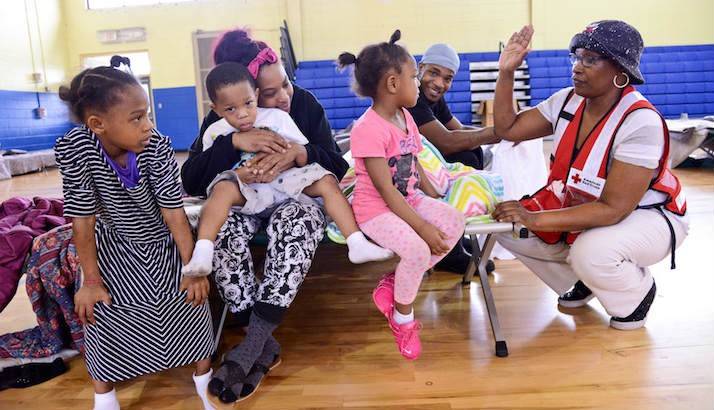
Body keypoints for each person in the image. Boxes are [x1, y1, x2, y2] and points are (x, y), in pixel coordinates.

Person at [179, 29, 349, 404]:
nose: (282, 96)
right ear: (247, 94)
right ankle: (263, 344)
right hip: (245, 198)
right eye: (269, 93)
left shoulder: (303, 104)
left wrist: (301, 154)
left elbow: (337, 163)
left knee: (298, 221)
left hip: (291, 196)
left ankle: (250, 347)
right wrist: (232, 144)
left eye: (285, 84)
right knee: (222, 230)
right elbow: (191, 178)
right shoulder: (228, 117)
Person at [492, 22, 688, 330]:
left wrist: (536, 219)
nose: (577, 67)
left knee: (592, 251)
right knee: (503, 226)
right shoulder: (567, 101)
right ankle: (588, 280)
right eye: (577, 57)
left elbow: (614, 209)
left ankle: (635, 294)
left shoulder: (641, 122)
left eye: (591, 59)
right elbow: (508, 129)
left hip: (649, 217)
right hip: (589, 209)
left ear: (620, 71)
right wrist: (506, 73)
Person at [56, 66, 215, 410]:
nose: (148, 126)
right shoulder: (75, 149)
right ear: (98, 124)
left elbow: (174, 213)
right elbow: (82, 221)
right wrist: (91, 280)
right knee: (99, 309)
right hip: (113, 243)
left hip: (164, 240)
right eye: (137, 118)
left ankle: (204, 381)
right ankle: (104, 395)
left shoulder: (156, 146)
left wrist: (192, 267)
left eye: (148, 115)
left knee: (192, 302)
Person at [185, 62, 392, 274]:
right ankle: (203, 251)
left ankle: (356, 242)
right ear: (216, 109)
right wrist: (236, 167)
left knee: (325, 180)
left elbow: (303, 150)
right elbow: (207, 174)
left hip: (284, 183)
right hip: (248, 189)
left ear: (255, 95)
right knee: (221, 190)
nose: (242, 114)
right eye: (231, 109)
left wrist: (292, 156)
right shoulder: (215, 131)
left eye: (248, 103)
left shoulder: (277, 117)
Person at [338, 30, 466, 360]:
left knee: (454, 222)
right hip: (376, 210)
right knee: (417, 249)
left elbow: (413, 159)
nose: (418, 83)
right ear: (393, 84)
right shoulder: (367, 128)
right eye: (413, 76)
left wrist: (431, 189)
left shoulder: (406, 116)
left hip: (407, 199)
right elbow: (387, 191)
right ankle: (402, 318)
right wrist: (422, 227)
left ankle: (392, 283)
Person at [408, 43, 502, 274]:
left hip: (425, 167)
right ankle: (449, 252)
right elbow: (447, 141)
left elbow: (460, 131)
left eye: (447, 78)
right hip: (410, 171)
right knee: (462, 153)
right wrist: (498, 133)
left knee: (473, 151)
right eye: (433, 73)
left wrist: (504, 131)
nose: (439, 83)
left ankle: (455, 234)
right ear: (420, 69)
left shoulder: (435, 99)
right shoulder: (413, 98)